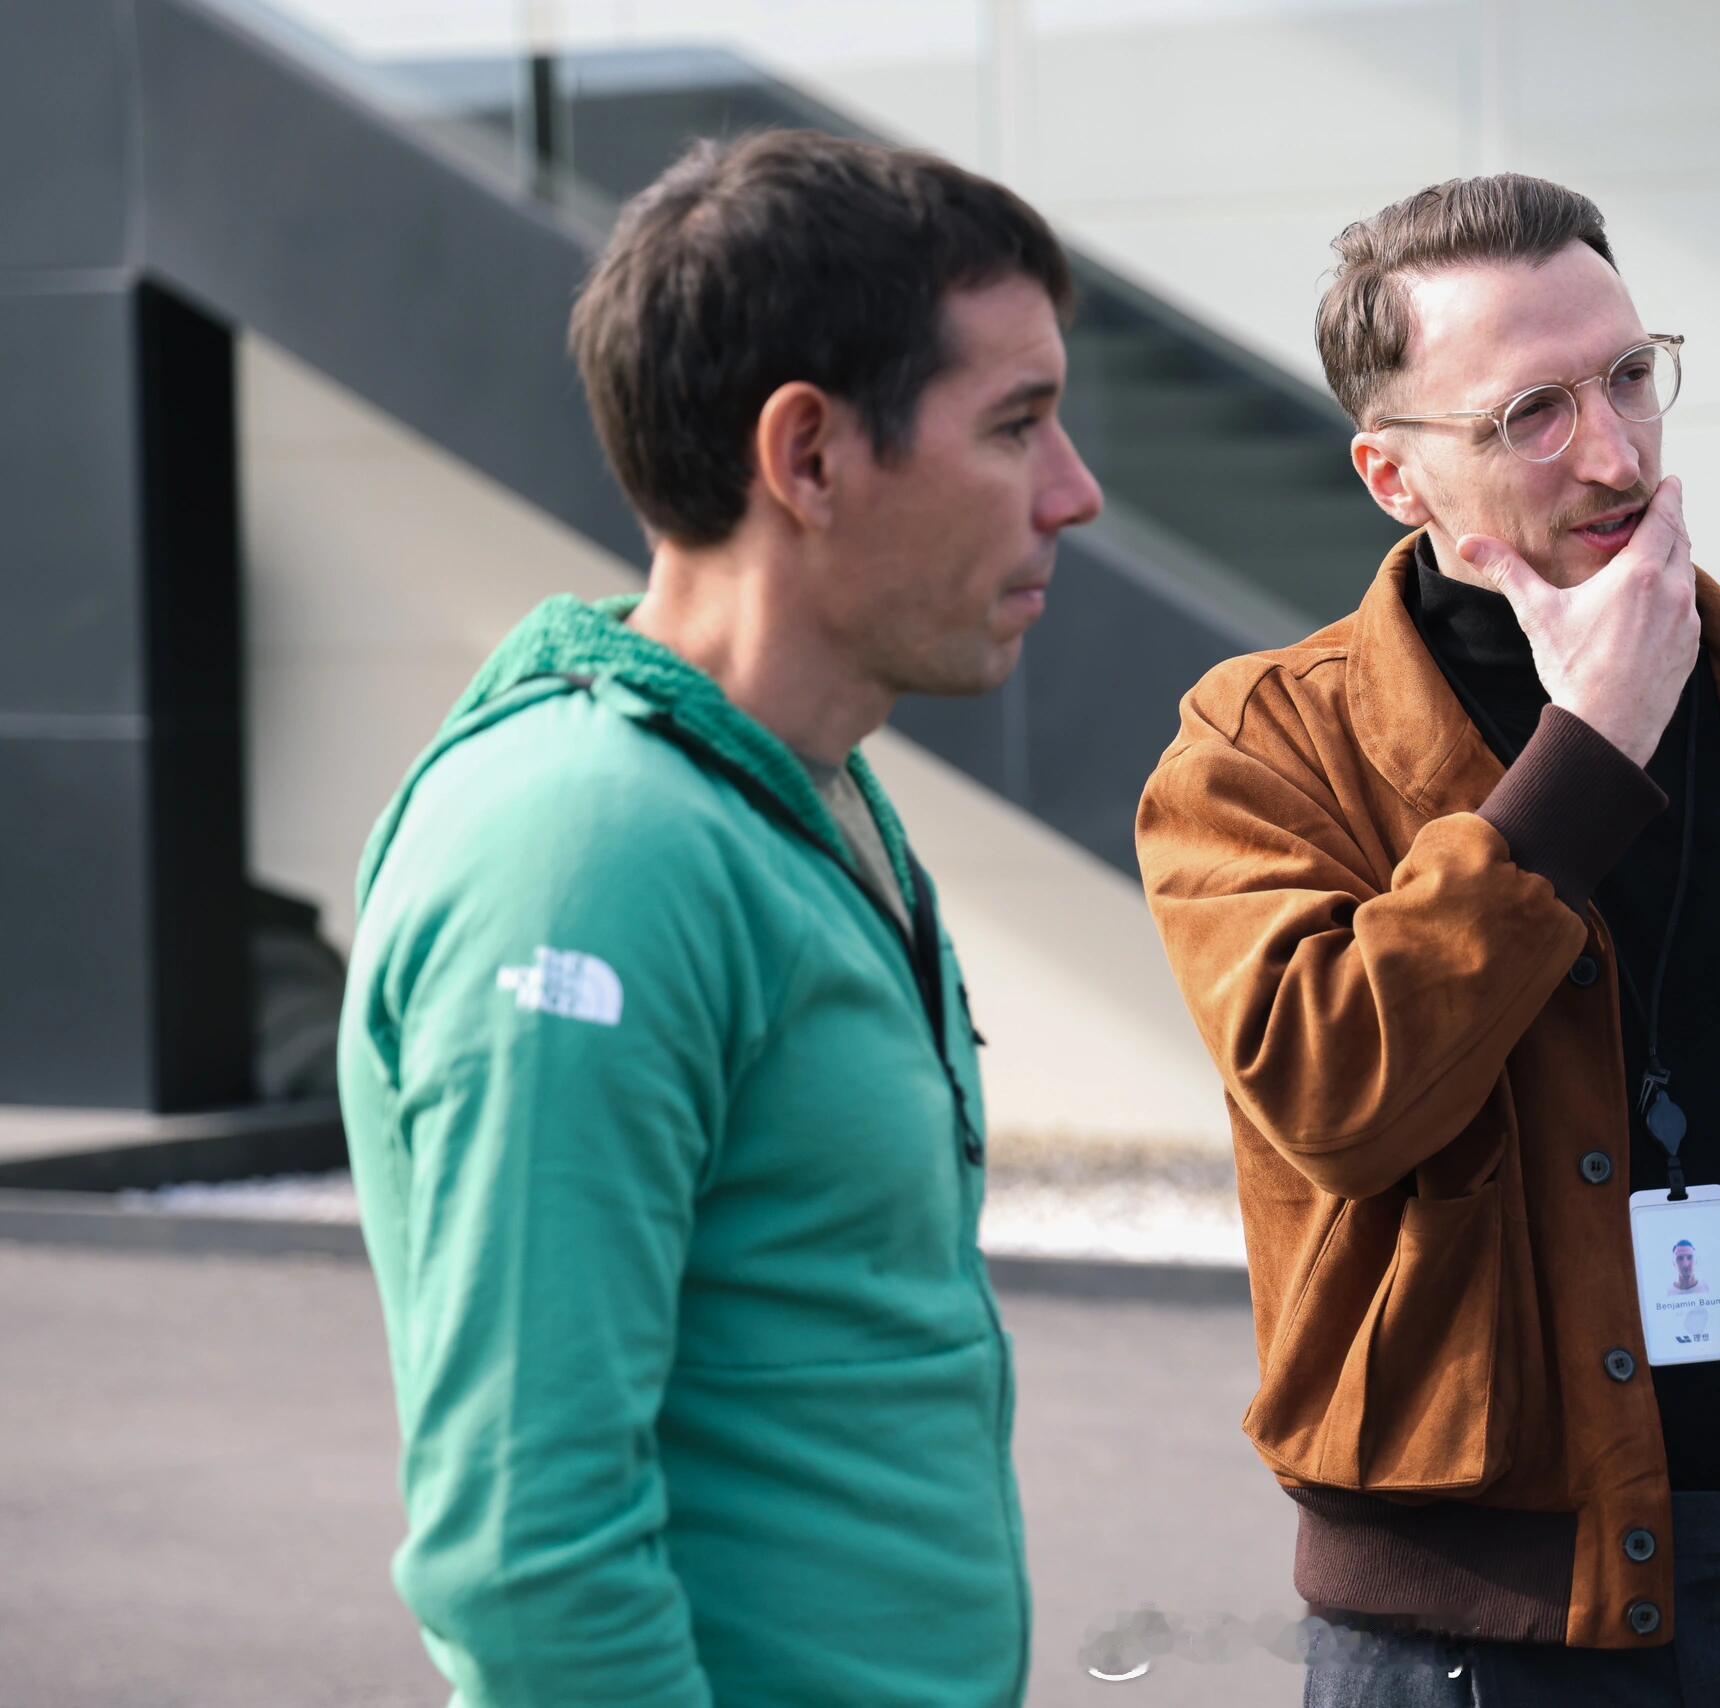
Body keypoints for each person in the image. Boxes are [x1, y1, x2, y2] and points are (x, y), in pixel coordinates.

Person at [1134, 173, 1720, 1705]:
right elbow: (1334, 1098)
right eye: (1533, 414)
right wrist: (1590, 744)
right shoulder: (1265, 746)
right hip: (1481, 1622)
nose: (1618, 454)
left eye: (1632, 376)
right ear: (1394, 477)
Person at [337, 131, 1101, 1707]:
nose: (1074, 494)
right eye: (1016, 425)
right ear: (808, 456)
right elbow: (527, 1562)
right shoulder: (586, 854)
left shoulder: (796, 792)